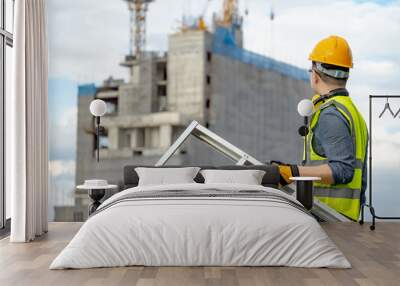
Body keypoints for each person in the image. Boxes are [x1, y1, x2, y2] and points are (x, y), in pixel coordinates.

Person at [274, 35, 368, 221]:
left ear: (315, 75)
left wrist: (291, 173)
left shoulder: (330, 114)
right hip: (342, 218)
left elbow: (343, 170)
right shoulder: (351, 111)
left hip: (329, 217)